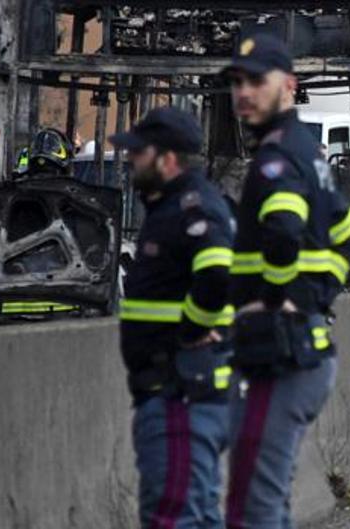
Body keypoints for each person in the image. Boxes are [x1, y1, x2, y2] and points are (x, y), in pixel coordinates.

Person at [222, 33, 350, 527]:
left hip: (279, 354)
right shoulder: (307, 151)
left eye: (257, 81)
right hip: (300, 346)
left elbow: (283, 232)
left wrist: (276, 299)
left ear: (288, 85)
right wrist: (319, 295)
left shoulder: (276, 158)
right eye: (238, 81)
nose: (244, 92)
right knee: (267, 498)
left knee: (254, 504)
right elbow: (349, 233)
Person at [111, 107, 235, 528]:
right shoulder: (170, 208)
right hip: (175, 390)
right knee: (195, 514)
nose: (131, 159)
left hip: (179, 392)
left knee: (174, 515)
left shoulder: (191, 208)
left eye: (139, 152)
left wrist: (192, 328)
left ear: (166, 159)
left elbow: (218, 273)